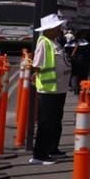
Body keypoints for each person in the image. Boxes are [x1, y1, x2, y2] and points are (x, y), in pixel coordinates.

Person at [29, 14, 72, 165]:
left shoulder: (54, 42)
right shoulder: (44, 43)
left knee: (55, 121)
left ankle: (53, 148)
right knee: (45, 122)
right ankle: (40, 154)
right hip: (48, 89)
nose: (60, 29)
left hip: (58, 89)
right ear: (50, 29)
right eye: (57, 27)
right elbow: (36, 65)